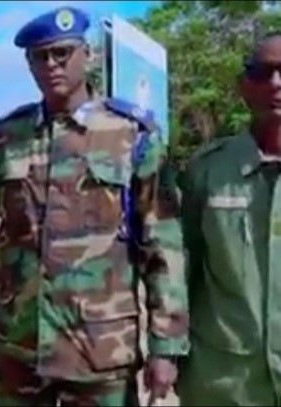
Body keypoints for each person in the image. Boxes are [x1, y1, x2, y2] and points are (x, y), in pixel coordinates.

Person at [0, 7, 188, 407]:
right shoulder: (6, 137)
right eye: (39, 57)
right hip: (17, 346)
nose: (51, 65)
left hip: (99, 351)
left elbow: (163, 244)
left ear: (86, 55)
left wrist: (166, 346)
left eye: (62, 53)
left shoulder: (132, 136)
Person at [177, 31, 281, 406]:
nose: (276, 83)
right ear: (244, 87)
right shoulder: (206, 171)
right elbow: (180, 270)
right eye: (262, 72)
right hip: (225, 384)